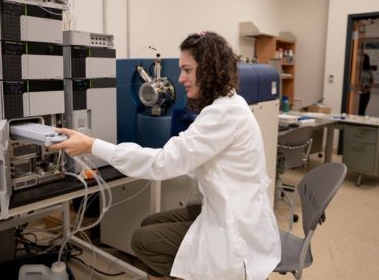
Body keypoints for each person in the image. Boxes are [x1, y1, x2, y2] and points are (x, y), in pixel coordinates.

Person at [50, 31, 281, 280]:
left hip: (233, 224)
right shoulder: (229, 104)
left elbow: (163, 163)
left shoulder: (223, 114)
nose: (180, 78)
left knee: (143, 240)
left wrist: (92, 145)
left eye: (187, 70)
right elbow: (194, 158)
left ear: (210, 70)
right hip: (228, 207)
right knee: (150, 223)